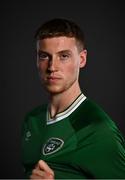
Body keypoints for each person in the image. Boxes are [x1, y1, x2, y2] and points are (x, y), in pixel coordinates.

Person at [21, 18, 125, 179]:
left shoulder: (98, 129)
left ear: (82, 59)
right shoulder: (32, 120)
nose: (52, 67)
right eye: (44, 56)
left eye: (63, 56)